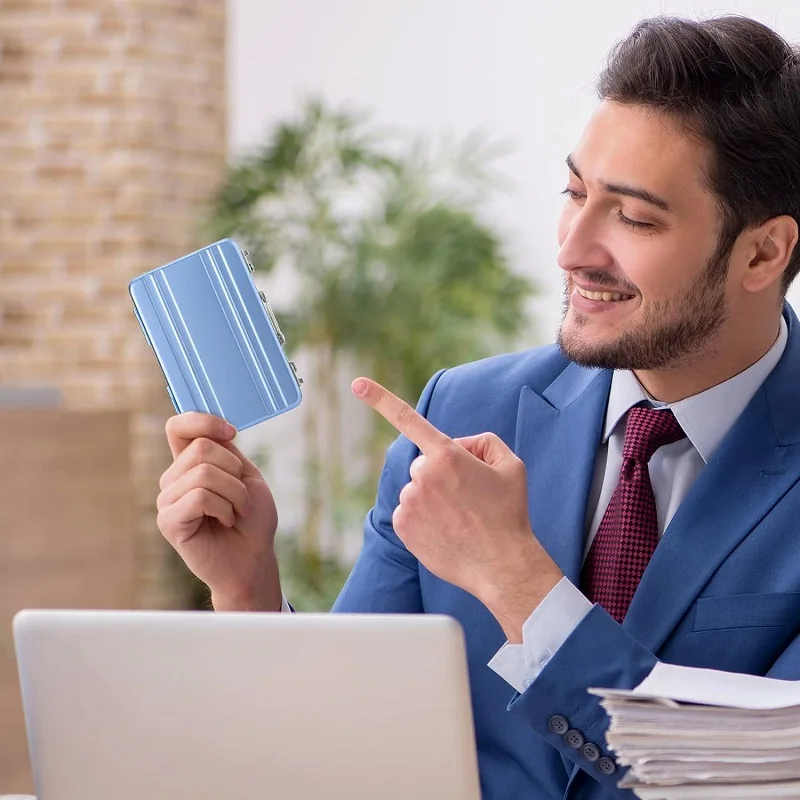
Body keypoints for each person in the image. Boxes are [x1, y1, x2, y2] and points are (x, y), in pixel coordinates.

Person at [155, 14, 800, 800]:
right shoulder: (460, 412)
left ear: (762, 252)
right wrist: (248, 590)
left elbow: (743, 790)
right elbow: (346, 740)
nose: (571, 249)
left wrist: (516, 578)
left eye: (633, 217)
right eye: (574, 193)